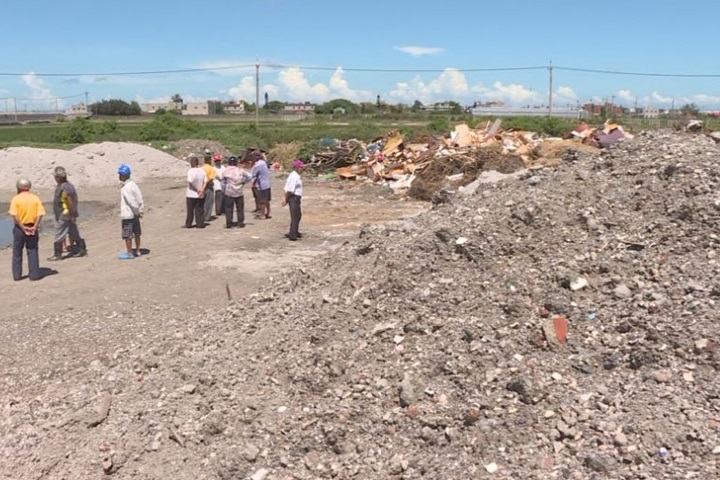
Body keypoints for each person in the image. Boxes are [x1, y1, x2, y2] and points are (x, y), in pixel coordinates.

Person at [9, 178, 45, 281]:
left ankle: (17, 275)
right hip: (32, 226)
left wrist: (22, 227)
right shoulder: (35, 198)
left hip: (19, 229)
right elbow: (40, 214)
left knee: (17, 252)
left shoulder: (16, 199)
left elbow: (15, 215)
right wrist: (35, 226)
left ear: (18, 188)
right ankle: (34, 275)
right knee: (32, 250)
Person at [48, 166, 86, 261]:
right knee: (73, 232)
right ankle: (81, 249)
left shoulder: (65, 188)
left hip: (65, 214)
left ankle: (58, 254)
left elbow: (69, 201)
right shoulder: (67, 185)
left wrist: (72, 213)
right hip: (68, 214)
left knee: (59, 233)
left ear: (58, 178)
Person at [118, 164, 145, 260]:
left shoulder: (125, 188)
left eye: (120, 174)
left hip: (128, 214)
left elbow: (131, 202)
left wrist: (136, 211)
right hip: (135, 214)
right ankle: (137, 251)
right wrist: (140, 210)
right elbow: (139, 198)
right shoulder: (134, 185)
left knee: (127, 235)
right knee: (137, 233)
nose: (119, 176)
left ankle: (129, 253)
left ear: (123, 175)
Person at [223, 156, 253, 228]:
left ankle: (229, 223)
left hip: (229, 192)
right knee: (240, 208)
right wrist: (244, 182)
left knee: (228, 208)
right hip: (239, 191)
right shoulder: (240, 170)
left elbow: (223, 180)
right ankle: (240, 222)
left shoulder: (226, 170)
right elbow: (250, 176)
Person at [282, 159, 305, 241]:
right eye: (301, 167)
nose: (302, 169)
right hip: (293, 197)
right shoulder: (294, 176)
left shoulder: (296, 176)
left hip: (296, 198)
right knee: (295, 216)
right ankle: (292, 234)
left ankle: (295, 231)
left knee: (298, 215)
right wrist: (286, 199)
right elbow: (289, 190)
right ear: (297, 168)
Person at [185, 156, 208, 228]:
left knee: (190, 210)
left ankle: (189, 224)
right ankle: (200, 223)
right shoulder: (202, 170)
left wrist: (196, 189)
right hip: (200, 194)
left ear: (191, 163)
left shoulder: (190, 171)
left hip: (191, 194)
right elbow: (206, 181)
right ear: (198, 163)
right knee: (200, 209)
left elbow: (190, 182)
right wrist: (202, 190)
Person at [251, 149, 272, 219]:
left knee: (262, 201)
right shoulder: (263, 163)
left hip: (261, 185)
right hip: (267, 184)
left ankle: (262, 214)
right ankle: (268, 213)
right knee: (267, 200)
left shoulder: (257, 165)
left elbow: (253, 175)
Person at [202, 155, 216, 222]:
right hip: (208, 187)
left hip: (201, 187)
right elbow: (211, 179)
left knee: (202, 202)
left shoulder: (201, 168)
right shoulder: (211, 169)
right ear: (209, 161)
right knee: (209, 202)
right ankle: (207, 217)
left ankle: (202, 215)